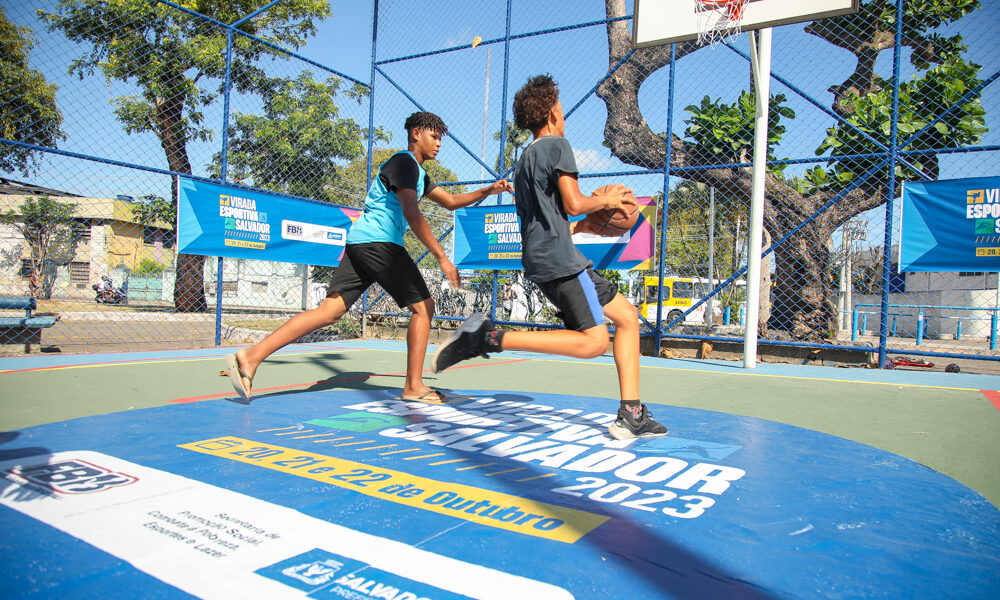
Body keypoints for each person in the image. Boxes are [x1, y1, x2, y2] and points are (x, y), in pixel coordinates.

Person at [431, 75, 668, 440]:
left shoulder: (526, 158)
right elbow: (573, 204)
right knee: (593, 342)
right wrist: (605, 202)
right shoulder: (558, 145)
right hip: (561, 260)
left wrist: (588, 222)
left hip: (545, 256)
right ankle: (486, 338)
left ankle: (632, 413)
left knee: (627, 317)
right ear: (554, 110)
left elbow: (552, 220)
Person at [226, 112, 513, 403]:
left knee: (330, 312)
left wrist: (490, 189)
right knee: (424, 307)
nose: (439, 144)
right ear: (416, 134)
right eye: (434, 137)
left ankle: (251, 356)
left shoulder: (417, 172)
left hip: (361, 243)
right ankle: (414, 387)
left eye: (440, 139)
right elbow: (412, 213)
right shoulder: (405, 162)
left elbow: (451, 202)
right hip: (379, 243)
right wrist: (441, 257)